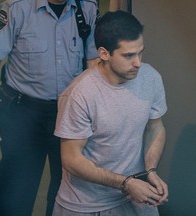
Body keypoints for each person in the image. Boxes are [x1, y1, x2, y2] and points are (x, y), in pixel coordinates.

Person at [0, 0, 99, 215]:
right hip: (22, 113)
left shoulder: (87, 7)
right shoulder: (16, 8)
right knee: (15, 194)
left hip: (69, 115)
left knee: (67, 194)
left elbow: (94, 63)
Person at [52, 10, 169, 216]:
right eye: (128, 55)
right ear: (104, 53)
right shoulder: (79, 94)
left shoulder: (150, 77)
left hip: (136, 196)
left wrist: (150, 170)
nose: (138, 63)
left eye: (140, 52)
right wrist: (125, 183)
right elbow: (71, 159)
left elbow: (155, 127)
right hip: (86, 205)